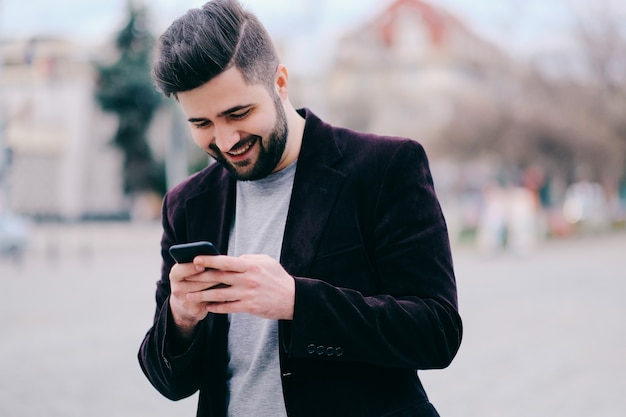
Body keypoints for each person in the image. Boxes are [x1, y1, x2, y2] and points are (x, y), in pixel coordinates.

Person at [138, 1, 462, 416]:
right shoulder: (186, 204)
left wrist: (297, 301)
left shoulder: (384, 168)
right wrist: (180, 317)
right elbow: (169, 381)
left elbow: (436, 332)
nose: (225, 139)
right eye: (201, 124)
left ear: (281, 82)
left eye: (239, 113)